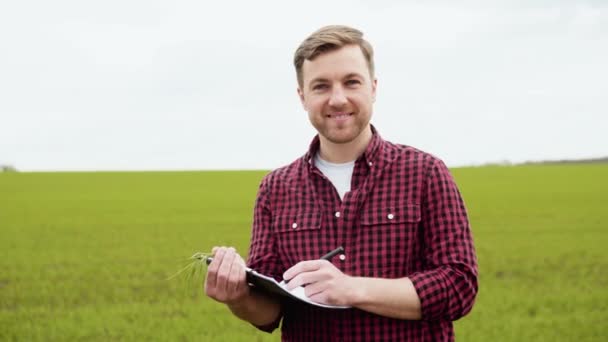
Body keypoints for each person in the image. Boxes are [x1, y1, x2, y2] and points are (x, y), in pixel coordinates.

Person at [204, 25, 478, 342]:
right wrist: (238, 296)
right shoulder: (275, 189)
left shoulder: (426, 173)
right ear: (302, 96)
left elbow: (459, 287)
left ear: (373, 88)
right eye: (321, 86)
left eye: (351, 82)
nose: (337, 99)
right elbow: (271, 311)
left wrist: (350, 289)